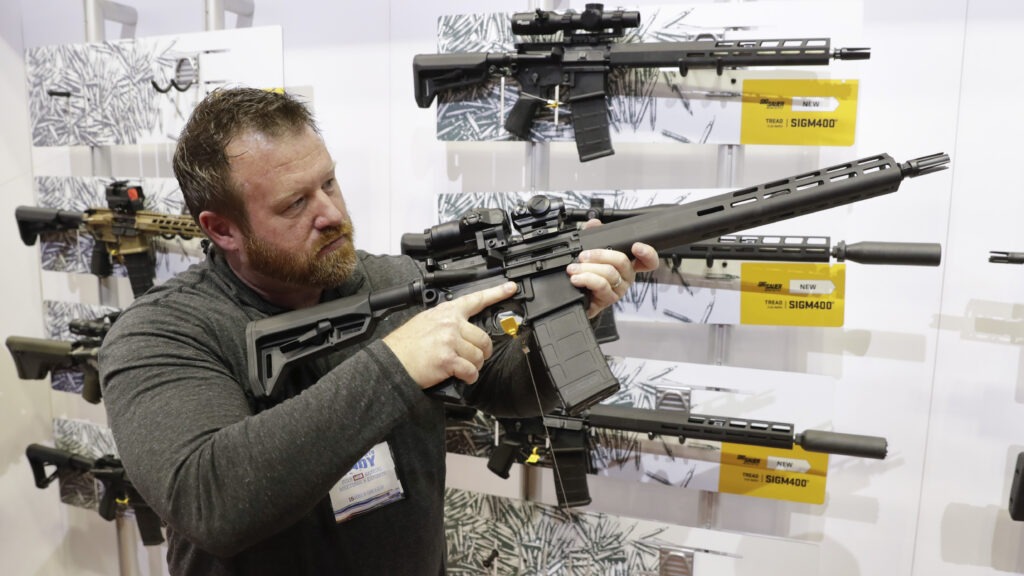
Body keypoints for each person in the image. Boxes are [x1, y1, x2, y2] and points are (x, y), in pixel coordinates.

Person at [98, 87, 659, 575]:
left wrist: (567, 312)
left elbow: (504, 387)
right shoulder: (160, 333)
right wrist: (395, 366)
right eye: (295, 203)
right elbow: (211, 501)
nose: (332, 214)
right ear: (222, 230)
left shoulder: (393, 280)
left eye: (330, 182)